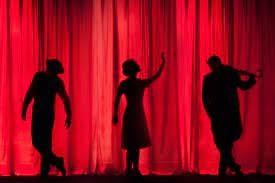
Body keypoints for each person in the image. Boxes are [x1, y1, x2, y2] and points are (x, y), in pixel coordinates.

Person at [202, 55, 257, 176]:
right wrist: (210, 113)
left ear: (217, 63)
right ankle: (231, 167)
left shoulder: (227, 74)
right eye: (210, 65)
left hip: (227, 114)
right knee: (223, 143)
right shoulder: (215, 77)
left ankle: (228, 168)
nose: (211, 67)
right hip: (220, 115)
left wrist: (251, 80)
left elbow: (243, 86)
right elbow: (205, 99)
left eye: (212, 64)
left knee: (224, 143)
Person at [113, 53, 166, 176]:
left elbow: (117, 100)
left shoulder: (128, 84)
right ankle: (131, 169)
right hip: (135, 114)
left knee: (133, 144)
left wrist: (115, 114)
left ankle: (132, 169)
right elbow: (156, 77)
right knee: (133, 144)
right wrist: (115, 114)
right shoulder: (133, 84)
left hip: (135, 114)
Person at [22, 59, 72, 177]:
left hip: (41, 113)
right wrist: (69, 114)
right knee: (43, 143)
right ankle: (55, 163)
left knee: (40, 142)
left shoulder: (43, 78)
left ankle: (48, 168)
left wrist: (25, 107)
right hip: (46, 114)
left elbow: (31, 92)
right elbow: (65, 98)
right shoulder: (53, 80)